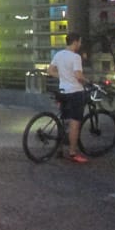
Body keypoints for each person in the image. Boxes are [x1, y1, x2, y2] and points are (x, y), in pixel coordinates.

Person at [47, 33, 88, 163]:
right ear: (75, 42)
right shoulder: (76, 57)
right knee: (75, 123)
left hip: (63, 92)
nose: (80, 44)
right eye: (79, 42)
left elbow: (50, 71)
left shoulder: (58, 54)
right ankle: (72, 153)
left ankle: (59, 149)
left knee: (64, 120)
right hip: (75, 92)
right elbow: (78, 76)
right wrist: (88, 81)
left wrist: (64, 76)